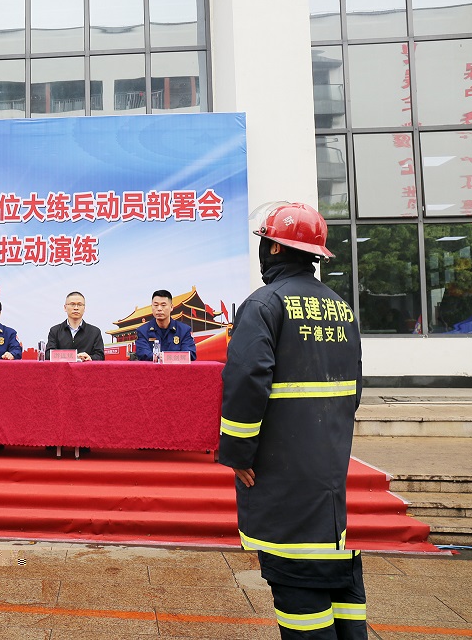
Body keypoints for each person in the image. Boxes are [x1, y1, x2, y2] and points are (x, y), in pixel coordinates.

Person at [218, 202, 366, 638]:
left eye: (266, 243)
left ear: (276, 249)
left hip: (283, 472)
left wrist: (237, 453)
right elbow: (354, 386)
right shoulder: (340, 306)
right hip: (328, 470)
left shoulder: (264, 304)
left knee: (298, 580)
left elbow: (247, 381)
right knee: (338, 575)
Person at [134, 290, 197, 361]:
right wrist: (157, 357)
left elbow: (190, 354)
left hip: (176, 368)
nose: (159, 309)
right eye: (156, 305)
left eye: (163, 305)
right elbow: (142, 353)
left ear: (171, 307)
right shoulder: (142, 331)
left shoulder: (184, 330)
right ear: (152, 307)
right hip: (152, 368)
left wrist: (167, 357)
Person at [45, 291, 104, 361]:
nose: (76, 308)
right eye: (72, 304)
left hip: (85, 367)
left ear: (84, 308)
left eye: (79, 304)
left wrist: (90, 358)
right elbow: (48, 355)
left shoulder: (95, 332)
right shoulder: (55, 331)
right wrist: (71, 357)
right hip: (62, 368)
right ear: (65, 307)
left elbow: (100, 356)